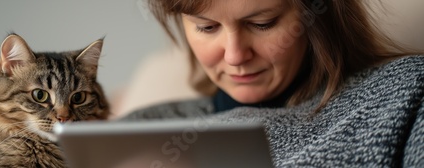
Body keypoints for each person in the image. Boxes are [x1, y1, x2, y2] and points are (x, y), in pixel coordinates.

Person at [122, 0, 424, 167]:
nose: (235, 55)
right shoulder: (134, 131)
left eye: (262, 23)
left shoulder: (406, 93)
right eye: (207, 27)